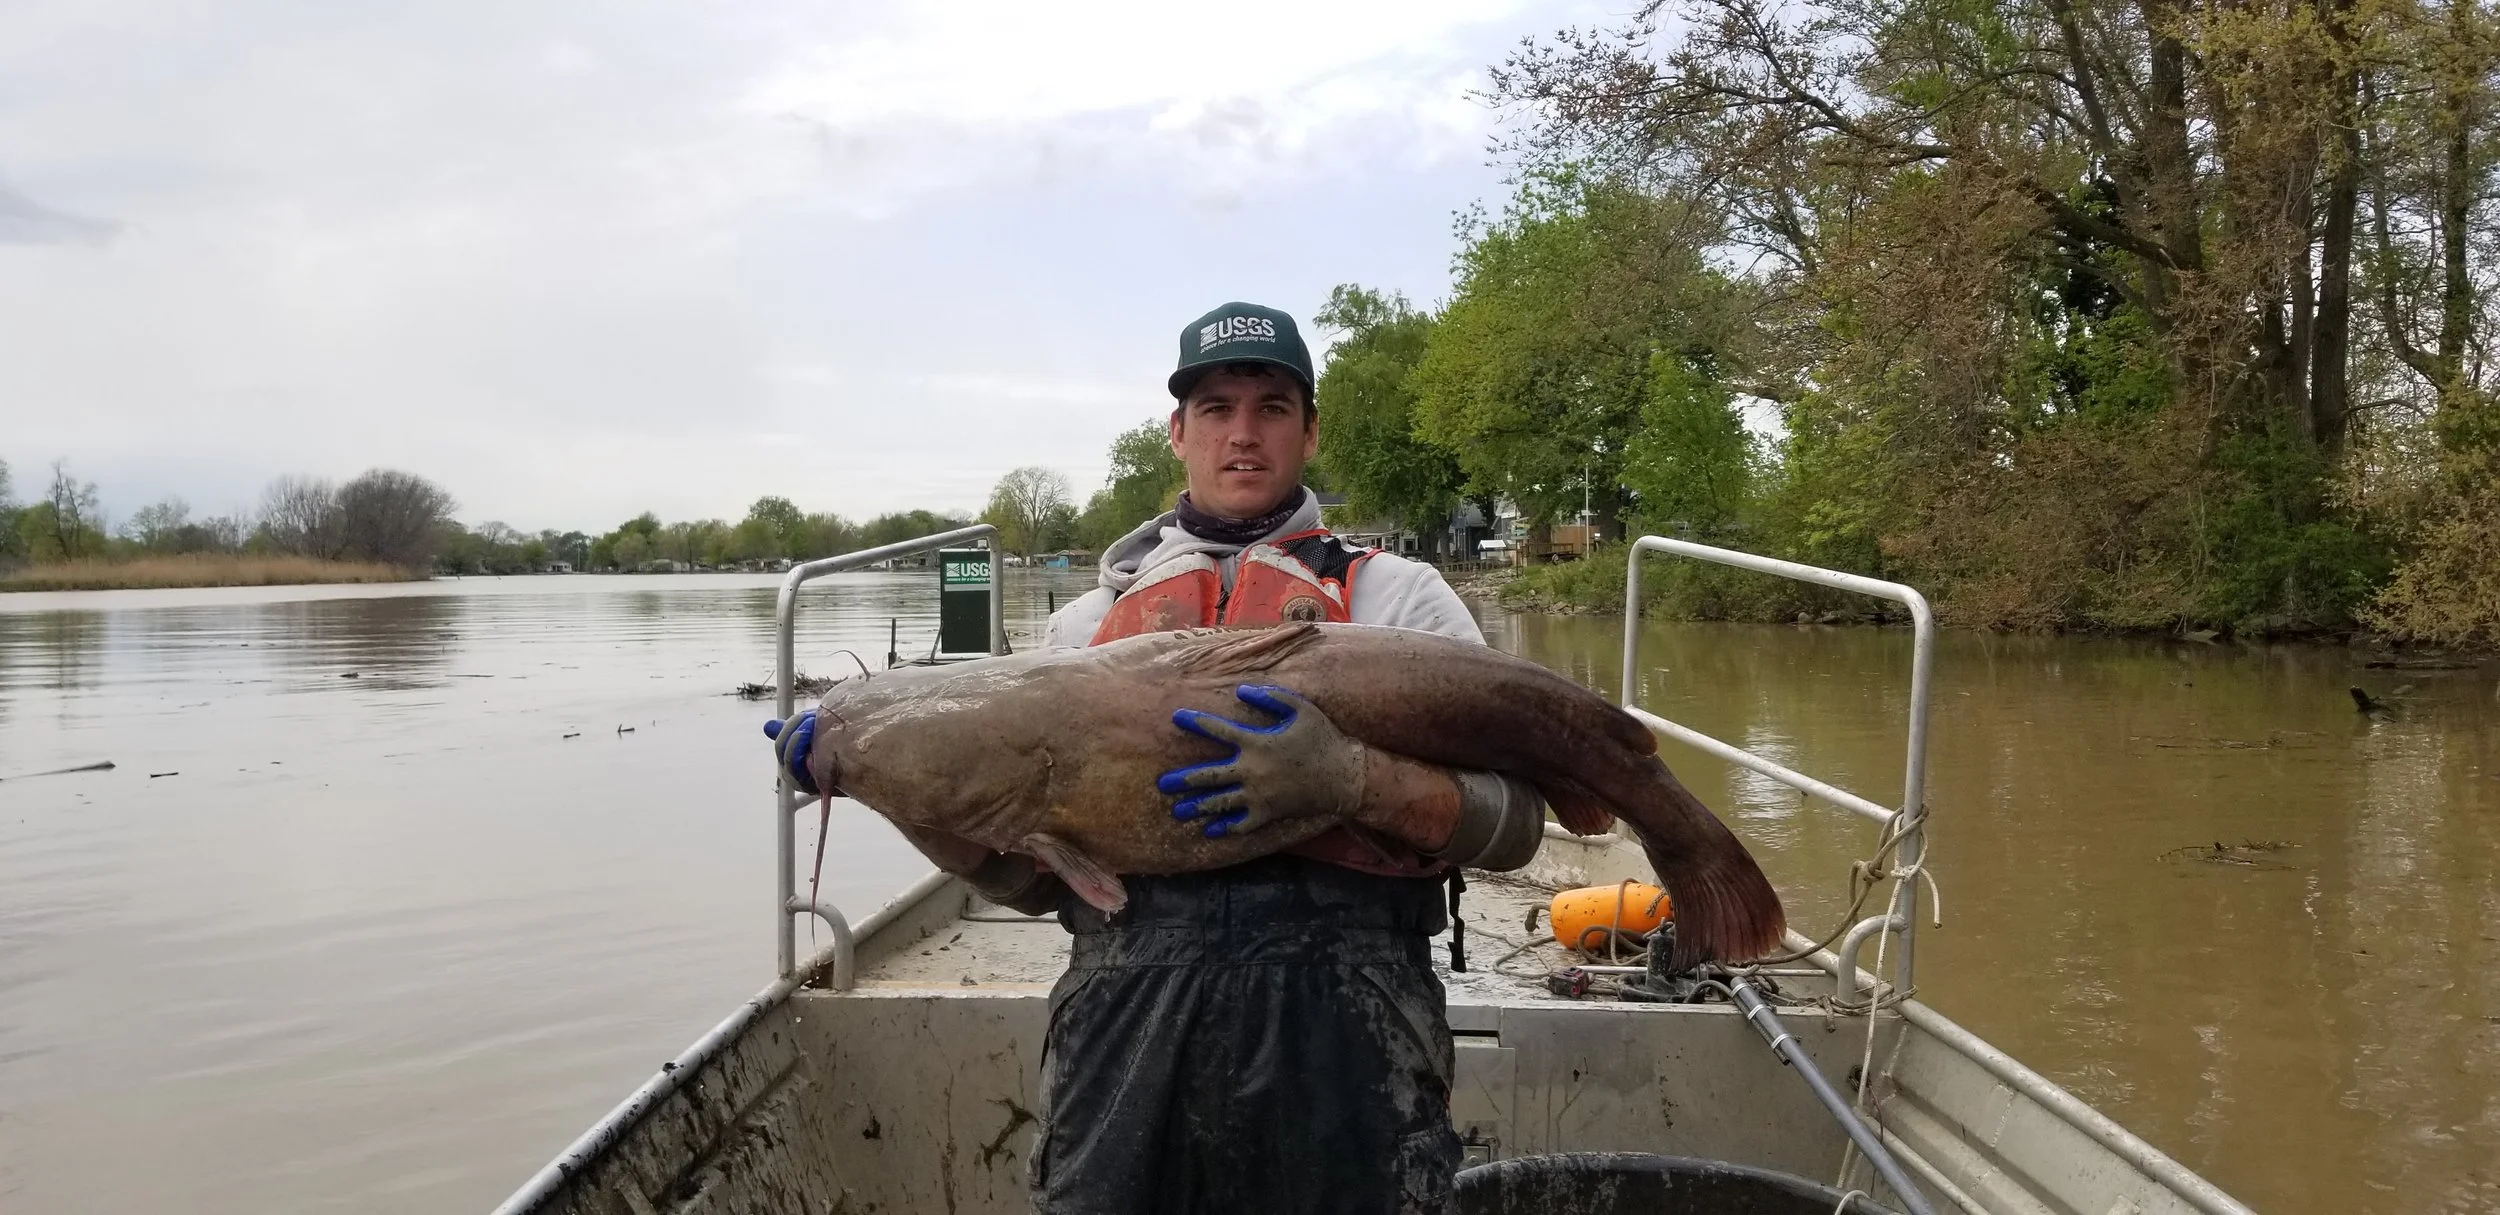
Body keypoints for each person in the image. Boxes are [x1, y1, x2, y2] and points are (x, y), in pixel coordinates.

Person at [776, 302, 1549, 1214]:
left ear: (1310, 430)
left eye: (1270, 406)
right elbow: (1038, 886)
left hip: (1353, 1022)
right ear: (1178, 432)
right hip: (1123, 1023)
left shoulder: (1400, 598)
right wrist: (884, 782)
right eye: (1217, 408)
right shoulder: (1074, 634)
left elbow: (1518, 827)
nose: (1244, 433)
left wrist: (1349, 778)